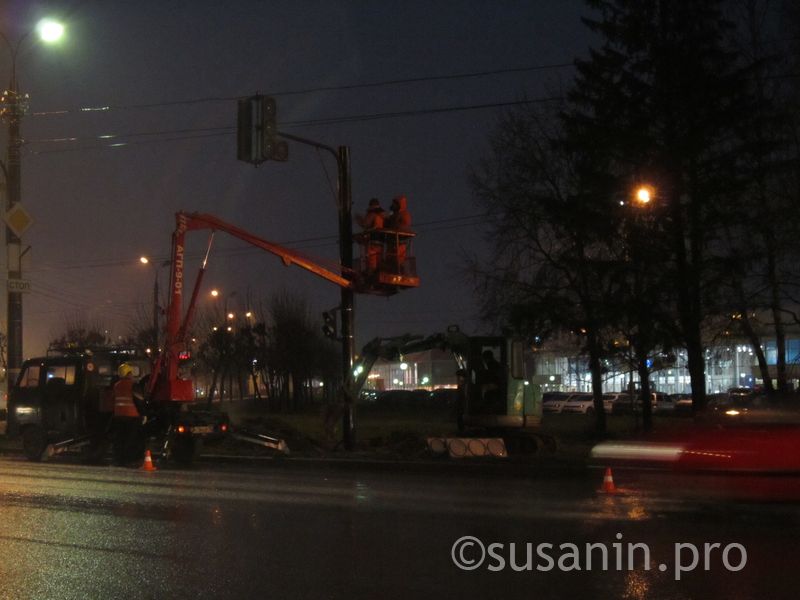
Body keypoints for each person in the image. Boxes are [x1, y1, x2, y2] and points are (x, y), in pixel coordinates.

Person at [354, 198, 386, 272]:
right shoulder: (382, 216)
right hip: (381, 241)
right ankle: (378, 270)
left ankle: (371, 272)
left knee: (371, 259)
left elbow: (365, 224)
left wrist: (358, 219)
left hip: (371, 241)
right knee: (379, 258)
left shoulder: (372, 214)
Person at [384, 195, 412, 271]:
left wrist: (390, 221)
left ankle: (399, 269)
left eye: (394, 204)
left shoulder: (404, 214)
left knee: (398, 260)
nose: (393, 205)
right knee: (392, 258)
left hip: (399, 242)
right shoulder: (394, 214)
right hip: (393, 241)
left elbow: (401, 226)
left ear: (399, 204)